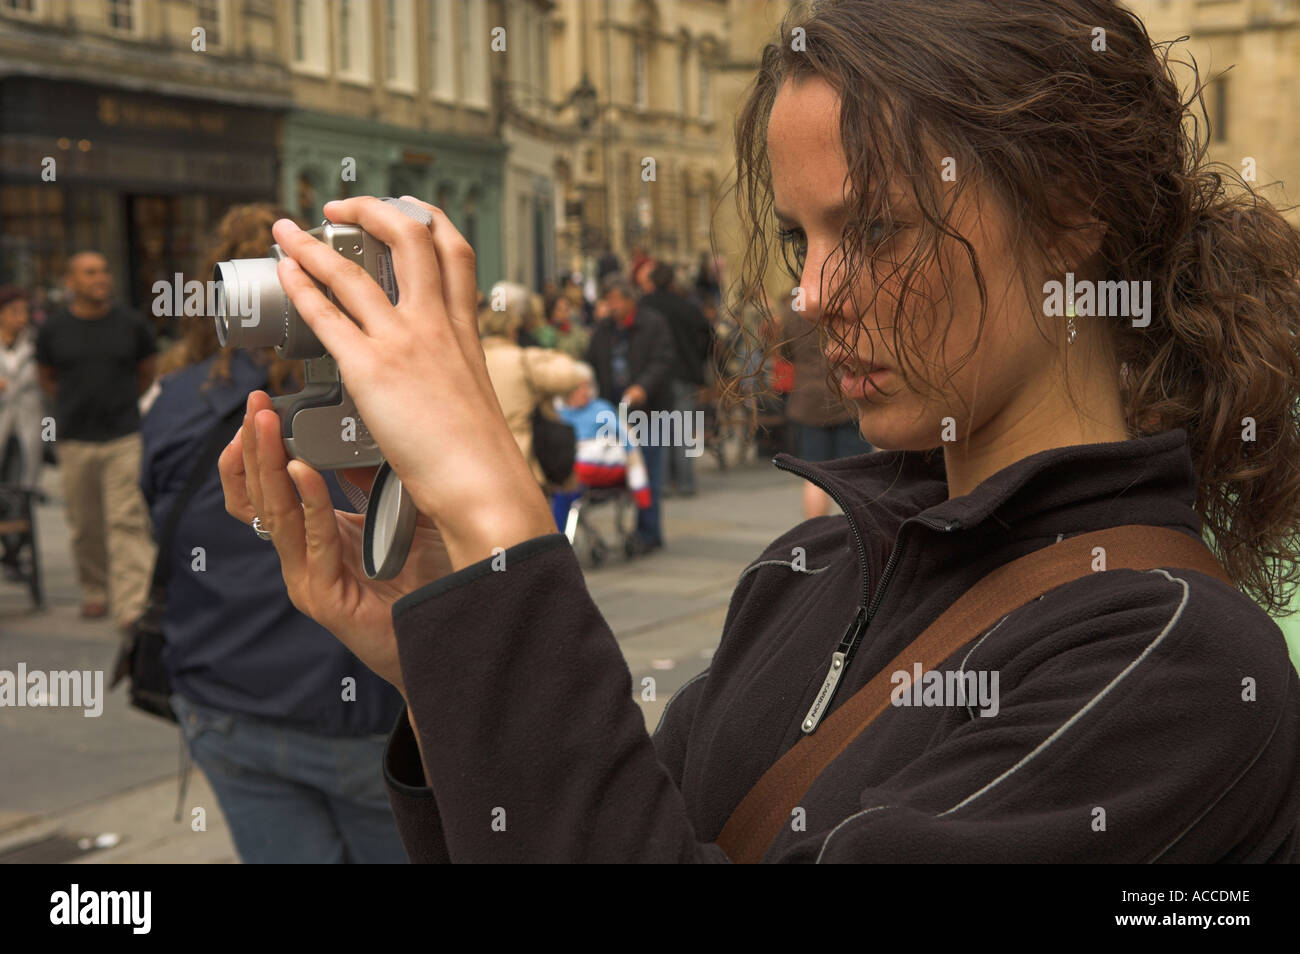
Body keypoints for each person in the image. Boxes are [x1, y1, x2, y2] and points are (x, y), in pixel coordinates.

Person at [218, 0, 1300, 863]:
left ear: (1067, 216)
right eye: (800, 236)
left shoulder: (1171, 661)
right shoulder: (808, 564)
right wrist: (442, 654)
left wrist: (503, 527)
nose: (814, 293)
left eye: (873, 227)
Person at [142, 204, 407, 864]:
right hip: (364, 715)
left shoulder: (171, 397)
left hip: (226, 698)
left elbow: (154, 518)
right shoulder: (367, 404)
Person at [36, 251, 156, 627]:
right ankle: (95, 590)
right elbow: (47, 377)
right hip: (75, 439)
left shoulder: (131, 324)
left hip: (123, 437)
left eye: (104, 271)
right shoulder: (53, 330)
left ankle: (132, 602)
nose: (100, 278)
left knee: (127, 520)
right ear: (70, 282)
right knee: (85, 523)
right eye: (90, 273)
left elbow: (146, 373)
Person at [585, 274, 675, 553]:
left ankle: (649, 533)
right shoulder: (604, 329)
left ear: (629, 299)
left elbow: (663, 361)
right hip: (612, 412)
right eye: (606, 300)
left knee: (647, 470)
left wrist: (642, 387)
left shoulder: (653, 324)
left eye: (614, 300)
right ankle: (629, 529)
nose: (610, 306)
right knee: (617, 471)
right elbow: (591, 361)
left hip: (649, 411)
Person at [479, 282, 586, 487]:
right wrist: (546, 354)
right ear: (513, 330)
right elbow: (570, 375)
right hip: (517, 459)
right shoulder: (523, 359)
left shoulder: (470, 358)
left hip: (478, 460)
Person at [779, 300, 874, 518]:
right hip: (846, 396)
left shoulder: (794, 309)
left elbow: (785, 351)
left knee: (815, 474)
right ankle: (859, 533)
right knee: (856, 474)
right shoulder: (847, 301)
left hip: (808, 401)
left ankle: (817, 530)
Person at [640, 263, 713, 497]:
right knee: (682, 430)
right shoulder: (686, 307)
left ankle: (661, 482)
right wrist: (698, 361)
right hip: (684, 373)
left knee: (657, 431)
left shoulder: (645, 307)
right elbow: (708, 336)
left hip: (655, 376)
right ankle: (685, 482)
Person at [0, 286, 44, 576]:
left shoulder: (36, 345)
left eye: (24, 312)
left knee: (20, 491)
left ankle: (14, 551)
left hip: (26, 428)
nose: (21, 318)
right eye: (14, 312)